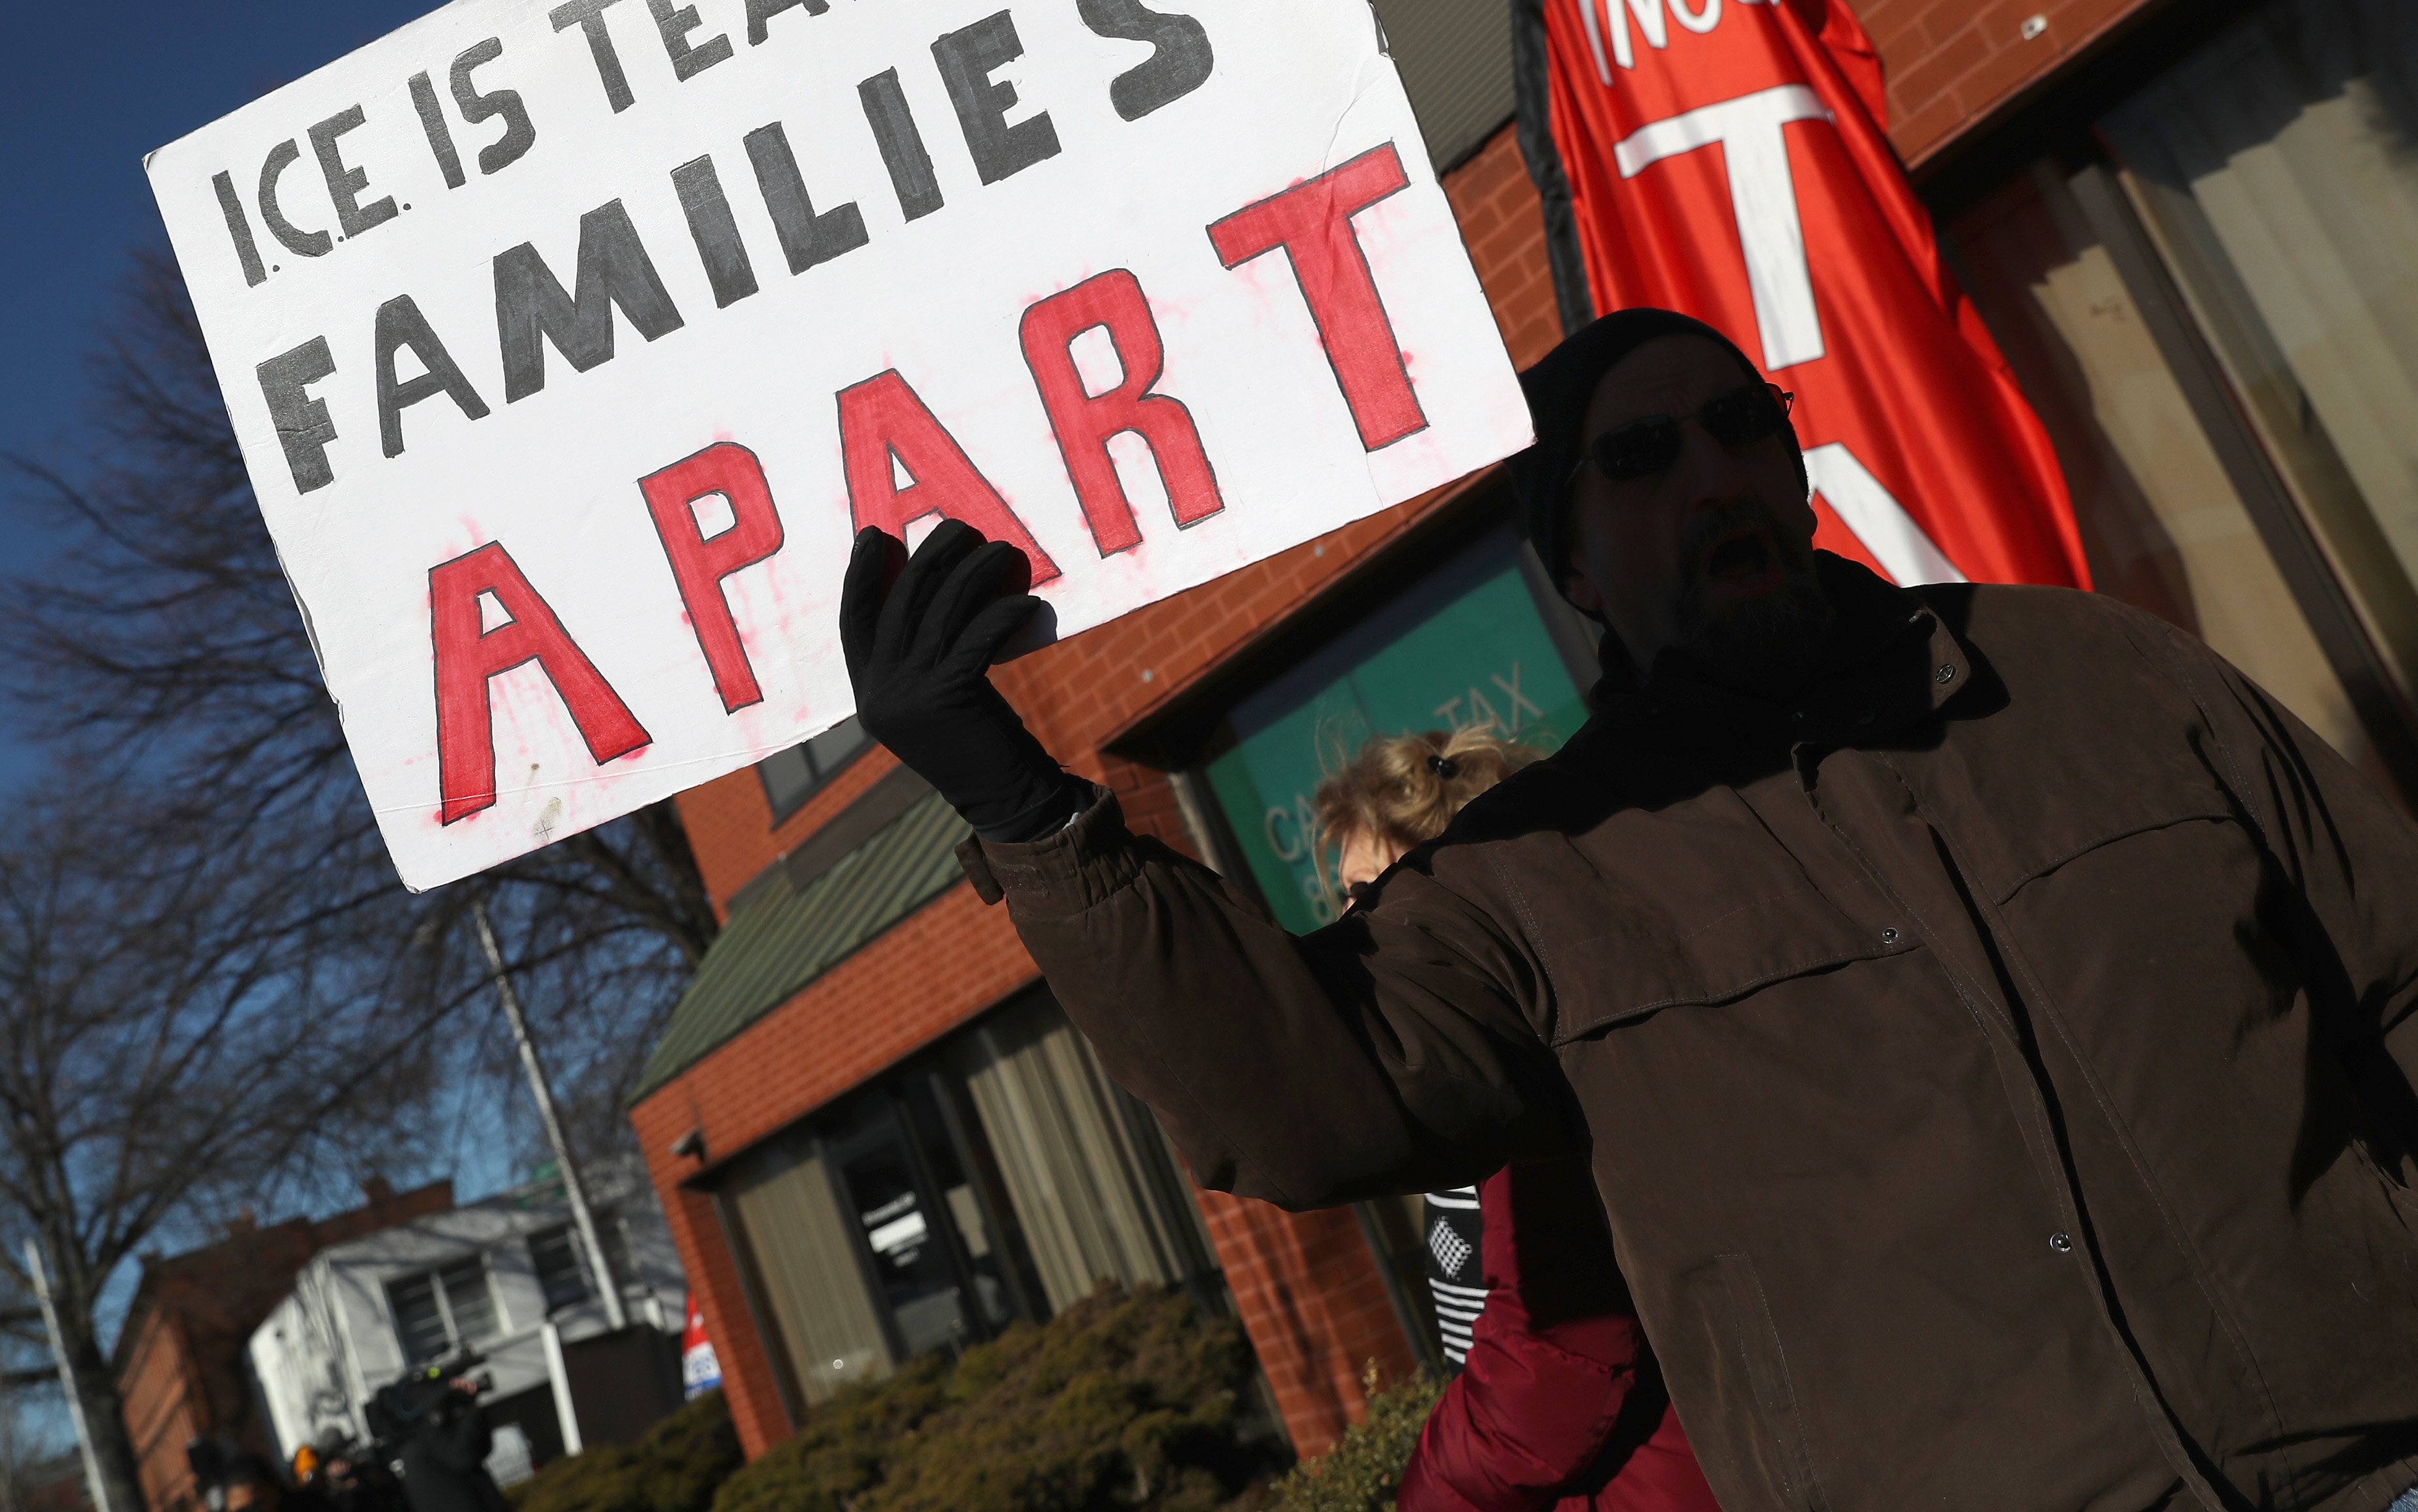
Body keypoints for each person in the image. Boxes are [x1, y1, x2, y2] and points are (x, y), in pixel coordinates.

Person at [838, 306, 2418, 1512]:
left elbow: (2394, 966)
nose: (1714, 469)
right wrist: (1025, 809)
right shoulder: (1540, 870)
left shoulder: (2085, 674)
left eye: (1745, 426)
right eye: (1643, 456)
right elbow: (1307, 1102)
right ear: (1576, 565)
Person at [1314, 730, 1719, 1512]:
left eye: (1367, 890)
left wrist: (1426, 1499)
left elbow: (1559, 1357)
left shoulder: (1527, 1055)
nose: (1346, 923)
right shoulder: (1471, 1065)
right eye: (1340, 895)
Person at [392, 1374, 507, 1512]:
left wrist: (470, 1409)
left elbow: (481, 1451)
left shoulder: (414, 1445)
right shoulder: (428, 1435)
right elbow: (462, 1458)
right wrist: (471, 1413)